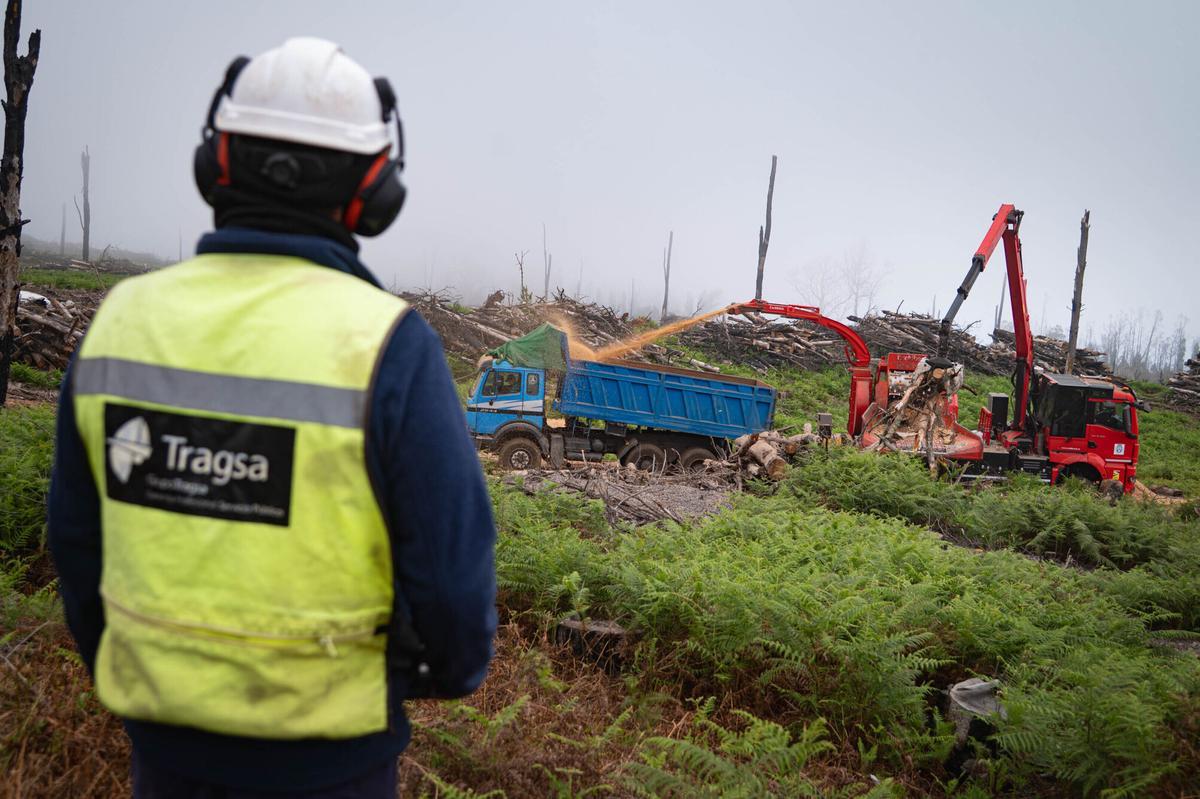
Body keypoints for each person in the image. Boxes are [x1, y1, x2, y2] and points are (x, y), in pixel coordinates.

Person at [47, 37, 497, 797]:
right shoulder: (389, 346)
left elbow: (77, 545)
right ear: (373, 191)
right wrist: (431, 675)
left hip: (163, 761)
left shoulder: (120, 324)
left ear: (217, 162)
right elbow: (454, 594)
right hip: (337, 768)